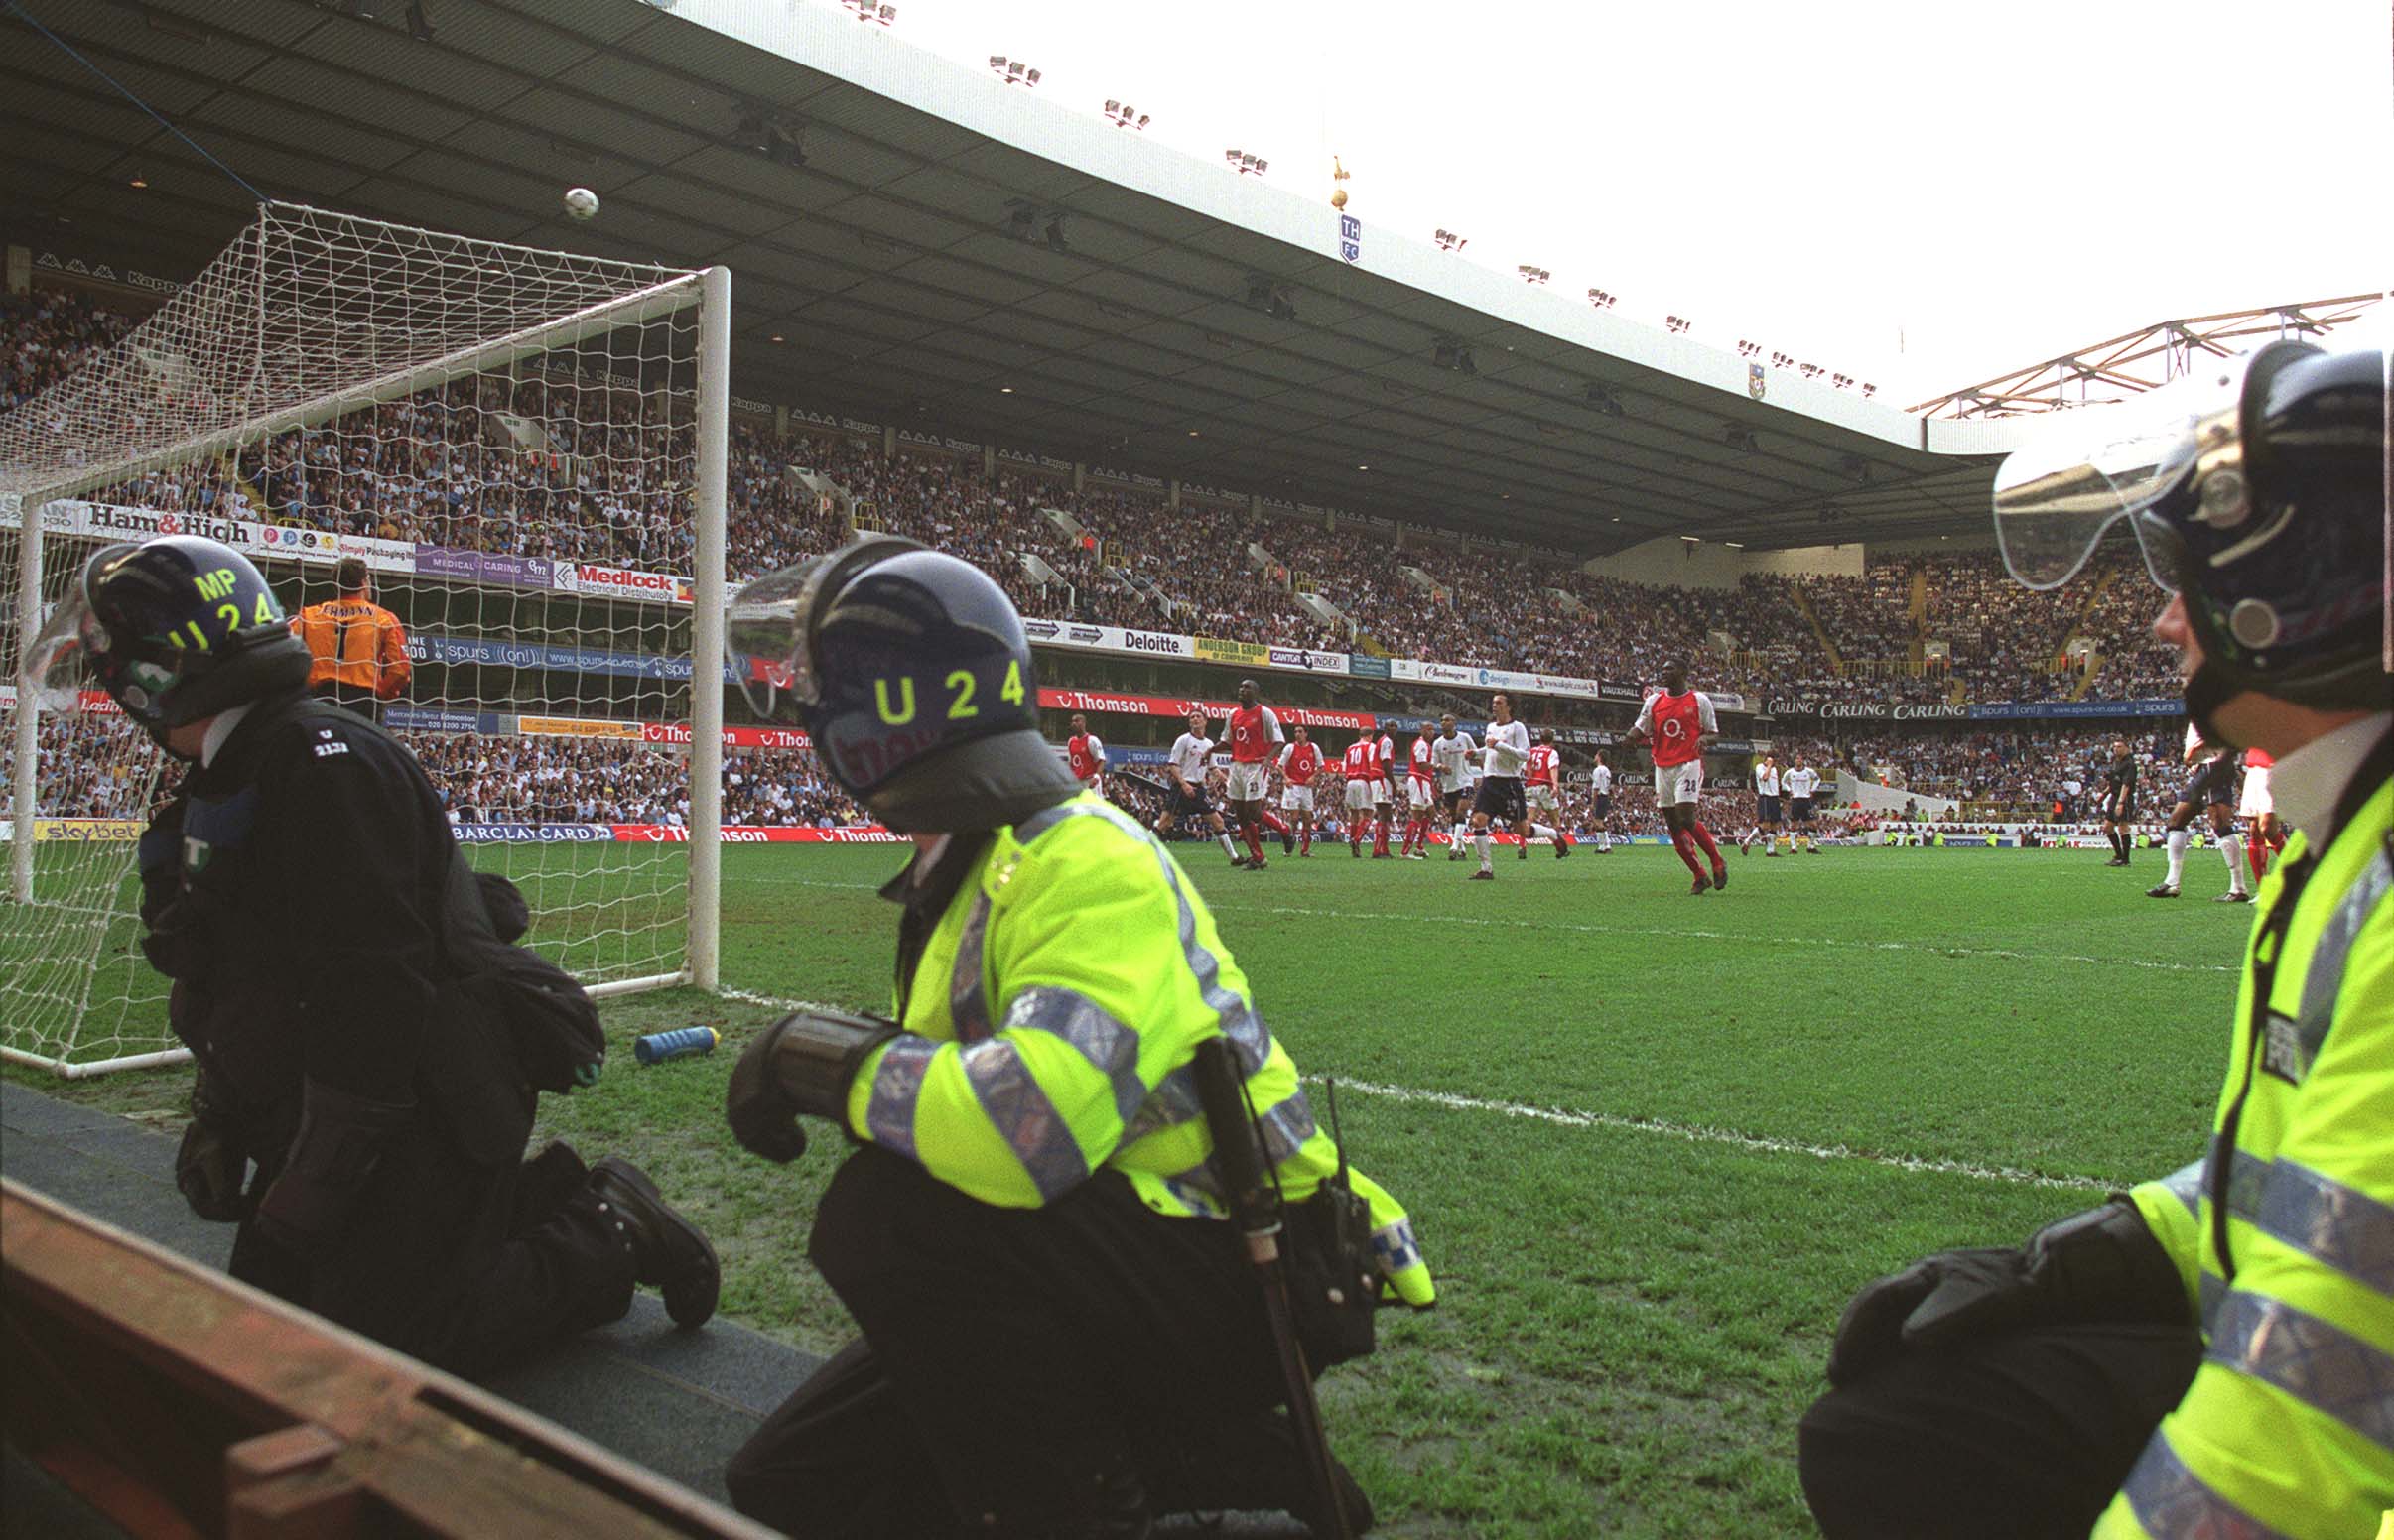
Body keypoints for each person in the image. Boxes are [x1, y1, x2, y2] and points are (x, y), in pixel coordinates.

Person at [717, 537, 1435, 1539]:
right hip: (1126, 1237)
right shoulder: (970, 855)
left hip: (1251, 1266)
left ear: (884, 710)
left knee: (886, 1216)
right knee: (795, 1481)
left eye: (814, 683)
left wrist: (815, 1057)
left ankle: (1107, 1501)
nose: (799, 707)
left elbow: (1026, 1129)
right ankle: (1204, 1457)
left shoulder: (1087, 857)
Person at [1798, 339, 2391, 1540]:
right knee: (1891, 1422)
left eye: (2187, 573)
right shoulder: (2349, 832)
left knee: (1904, 1442)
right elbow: (2313, 1190)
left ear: (2288, 596)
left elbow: (2319, 1397)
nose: (2163, 614)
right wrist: (2101, 1247)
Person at [29, 536, 718, 1376]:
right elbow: (240, 978)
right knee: (283, 1329)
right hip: (357, 1106)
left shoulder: (320, 766)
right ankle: (501, 1218)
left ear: (157, 674)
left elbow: (373, 1011)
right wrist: (220, 1112)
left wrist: (311, 1192)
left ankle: (607, 1228)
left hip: (428, 1103)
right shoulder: (238, 770)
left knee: (388, 1350)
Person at [1630, 664, 1726, 894]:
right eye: (1662, 670)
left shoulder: (1699, 700)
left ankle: (1717, 861)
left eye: (1670, 669)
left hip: (1689, 763)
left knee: (1686, 817)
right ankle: (1699, 875)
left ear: (1683, 674)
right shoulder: (1654, 701)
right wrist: (1627, 739)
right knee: (1673, 823)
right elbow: (1639, 729)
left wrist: (1704, 740)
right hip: (1662, 766)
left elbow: (1714, 734)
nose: (1664, 673)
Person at [289, 555, 412, 722]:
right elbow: (401, 669)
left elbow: (283, 648)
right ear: (365, 581)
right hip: (363, 699)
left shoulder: (309, 615)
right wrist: (382, 692)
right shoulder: (384, 618)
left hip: (321, 698)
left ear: (336, 585)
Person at [2149, 725, 2249, 901]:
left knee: (2220, 825)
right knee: (2175, 822)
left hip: (2214, 766)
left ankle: (2238, 888)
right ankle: (2172, 882)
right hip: (2205, 767)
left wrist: (2193, 750)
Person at [1156, 710, 1243, 867]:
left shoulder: (1209, 744)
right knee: (1164, 823)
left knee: (1218, 821)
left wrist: (1227, 780)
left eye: (1198, 717)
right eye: (1192, 718)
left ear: (1205, 722)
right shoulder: (1183, 740)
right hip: (1182, 788)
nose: (1195, 720)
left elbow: (1212, 768)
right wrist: (1184, 784)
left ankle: (1234, 857)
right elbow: (1172, 765)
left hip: (1198, 789)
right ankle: (1141, 850)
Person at [1462, 693, 1531, 880]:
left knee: (1522, 830)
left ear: (1509, 707)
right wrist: (1475, 753)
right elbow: (1489, 749)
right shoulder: (1491, 727)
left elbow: (1525, 755)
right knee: (1477, 821)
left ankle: (1552, 835)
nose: (1494, 706)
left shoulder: (1517, 728)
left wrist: (1500, 745)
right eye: (1493, 703)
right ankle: (1486, 869)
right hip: (1489, 780)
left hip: (1508, 782)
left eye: (1499, 703)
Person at [1222, 680, 1286, 871]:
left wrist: (1268, 759)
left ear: (1256, 692)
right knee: (1241, 814)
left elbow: (1279, 741)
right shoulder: (1233, 714)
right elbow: (1227, 741)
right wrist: (1210, 751)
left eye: (1247, 687)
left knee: (1254, 811)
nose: (1242, 689)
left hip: (1256, 765)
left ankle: (1284, 830)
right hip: (1236, 766)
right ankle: (1257, 857)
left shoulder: (1265, 713)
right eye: (1240, 686)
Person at [1522, 729, 1575, 860]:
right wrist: (1555, 785)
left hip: (1530, 786)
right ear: (1552, 741)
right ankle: (1560, 849)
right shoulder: (1552, 752)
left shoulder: (1531, 751)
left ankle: (1521, 847)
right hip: (1545, 786)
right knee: (1555, 820)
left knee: (1528, 820)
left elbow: (1525, 770)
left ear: (1540, 739)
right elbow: (1553, 768)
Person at [1431, 714, 1478, 860]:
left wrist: (1473, 756)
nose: (1444, 723)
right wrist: (1441, 766)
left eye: (1448, 720)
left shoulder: (1464, 738)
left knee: (1461, 812)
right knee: (1454, 817)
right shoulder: (1438, 743)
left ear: (1454, 723)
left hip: (1465, 780)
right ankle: (1462, 849)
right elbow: (1434, 763)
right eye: (1442, 721)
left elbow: (1476, 753)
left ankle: (1453, 847)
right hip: (1448, 784)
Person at [2239, 745, 2286, 885]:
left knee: (2267, 828)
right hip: (2254, 768)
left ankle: (2300, 876)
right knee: (2254, 830)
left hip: (2273, 768)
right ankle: (2263, 888)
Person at [1275, 725, 1322, 856]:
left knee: (1307, 819)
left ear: (1306, 734)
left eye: (1300, 732)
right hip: (1293, 787)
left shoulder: (1314, 748)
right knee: (1294, 818)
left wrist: (1313, 776)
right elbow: (1279, 766)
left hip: (1306, 788)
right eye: (1296, 732)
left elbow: (1321, 766)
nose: (1297, 734)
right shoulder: (1290, 748)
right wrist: (1286, 778)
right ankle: (1289, 848)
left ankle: (1305, 850)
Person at [1339, 728, 1380, 858]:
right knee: (1368, 813)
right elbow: (1373, 765)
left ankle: (1353, 844)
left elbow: (1344, 767)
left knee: (1354, 813)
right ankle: (1356, 839)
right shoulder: (1371, 747)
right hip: (1363, 780)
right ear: (1370, 736)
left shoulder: (1350, 748)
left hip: (1350, 781)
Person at [2099, 739, 2140, 867]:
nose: (2116, 749)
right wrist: (2104, 794)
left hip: (2124, 798)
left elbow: (2126, 784)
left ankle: (2125, 859)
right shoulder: (2116, 762)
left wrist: (2121, 802)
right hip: (2114, 796)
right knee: (2107, 827)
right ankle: (2118, 855)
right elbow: (2114, 782)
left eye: (2119, 747)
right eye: (2115, 747)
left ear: (2127, 748)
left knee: (2123, 827)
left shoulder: (2129, 764)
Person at [1401, 722, 1437, 859]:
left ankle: (1419, 847)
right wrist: (1438, 765)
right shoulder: (1421, 744)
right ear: (1422, 731)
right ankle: (1405, 852)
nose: (1431, 732)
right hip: (1418, 780)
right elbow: (1422, 766)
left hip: (1424, 781)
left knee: (1430, 813)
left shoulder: (1427, 745)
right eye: (1428, 729)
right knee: (1417, 815)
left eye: (1433, 730)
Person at [1745, 752, 1784, 856]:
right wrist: (1769, 765)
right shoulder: (1759, 767)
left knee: (1775, 825)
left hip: (1774, 798)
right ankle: (1747, 841)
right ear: (1767, 759)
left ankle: (1770, 850)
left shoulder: (1775, 770)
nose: (1774, 763)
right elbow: (1765, 778)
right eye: (1773, 760)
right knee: (1765, 825)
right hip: (1765, 797)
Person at [1784, 756, 1822, 854]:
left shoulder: (1809, 771)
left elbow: (1817, 779)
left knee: (1813, 824)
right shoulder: (1790, 772)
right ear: (1795, 760)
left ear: (1803, 761)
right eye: (1797, 759)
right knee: (1793, 825)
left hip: (1806, 800)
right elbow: (1783, 782)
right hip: (1795, 800)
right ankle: (1793, 848)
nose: (1799, 760)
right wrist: (1789, 790)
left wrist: (1813, 789)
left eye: (1800, 759)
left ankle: (1811, 846)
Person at [1064, 712, 1106, 798]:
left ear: (1083, 723)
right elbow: (1072, 763)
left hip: (1091, 780)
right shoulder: (1071, 741)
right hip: (1078, 782)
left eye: (1076, 721)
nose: (1073, 724)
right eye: (1072, 722)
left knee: (1094, 809)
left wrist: (1096, 777)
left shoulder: (1092, 740)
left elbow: (1101, 760)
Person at [1588, 750, 1615, 854]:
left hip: (1600, 796)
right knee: (1599, 821)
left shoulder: (1597, 770)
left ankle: (1606, 846)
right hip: (1605, 796)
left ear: (1599, 757)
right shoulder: (1607, 770)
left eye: (1596, 755)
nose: (1594, 757)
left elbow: (1596, 787)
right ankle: (1602, 846)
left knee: (1598, 822)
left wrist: (1593, 802)